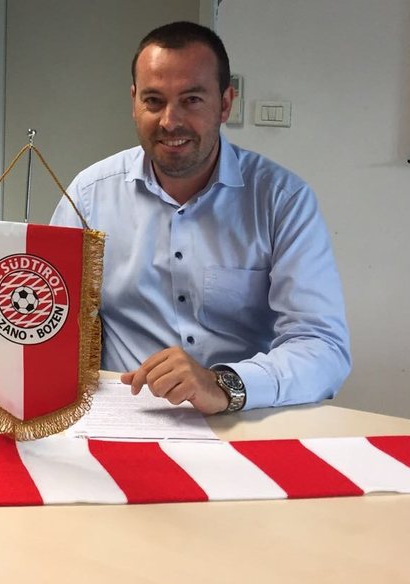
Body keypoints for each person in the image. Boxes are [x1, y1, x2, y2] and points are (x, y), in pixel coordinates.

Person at [50, 21, 350, 415]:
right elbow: (46, 316)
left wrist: (223, 384)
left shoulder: (282, 201)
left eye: (191, 100)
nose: (170, 121)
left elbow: (323, 348)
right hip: (125, 414)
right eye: (154, 100)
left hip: (246, 416)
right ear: (134, 101)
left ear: (225, 103)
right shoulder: (89, 195)